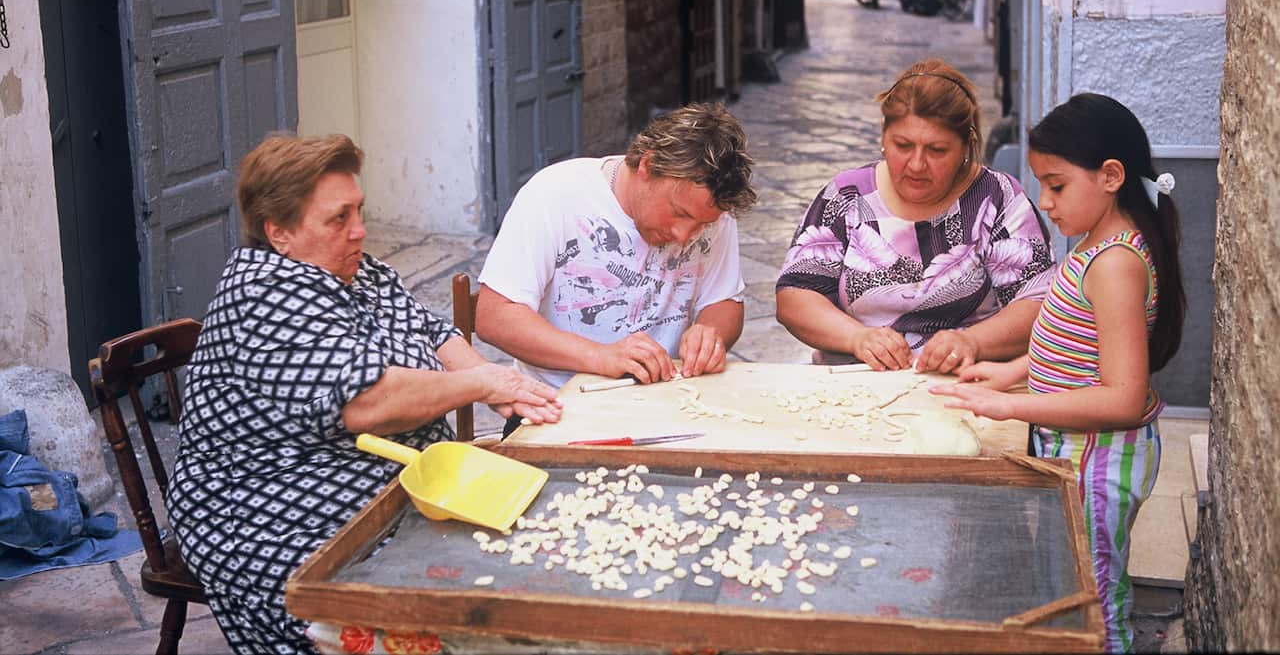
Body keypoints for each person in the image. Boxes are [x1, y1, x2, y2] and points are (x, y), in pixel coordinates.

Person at [167, 133, 562, 654]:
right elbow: (368, 402)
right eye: (339, 219)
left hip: (381, 487)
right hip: (274, 513)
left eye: (360, 210)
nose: (361, 230)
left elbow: (433, 334)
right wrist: (482, 382)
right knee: (433, 626)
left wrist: (502, 390)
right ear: (279, 232)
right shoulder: (262, 296)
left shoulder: (359, 271)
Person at [930, 93, 1186, 653]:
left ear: (1111, 175)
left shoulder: (1116, 263)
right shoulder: (1093, 246)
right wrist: (1008, 373)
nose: (1045, 201)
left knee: (1092, 598)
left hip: (1097, 460)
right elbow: (1074, 344)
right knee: (1070, 577)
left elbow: (1122, 397)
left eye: (1057, 185)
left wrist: (1012, 405)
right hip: (1073, 454)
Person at [775, 58, 1055, 372]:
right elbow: (796, 296)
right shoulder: (846, 197)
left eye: (937, 150)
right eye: (903, 145)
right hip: (855, 380)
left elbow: (1037, 304)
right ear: (884, 134)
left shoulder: (998, 198)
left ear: (966, 146)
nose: (917, 164)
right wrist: (858, 338)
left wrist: (972, 342)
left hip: (968, 382)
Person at [476, 102, 757, 404]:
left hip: (670, 399)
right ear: (647, 166)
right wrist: (599, 356)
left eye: (702, 224)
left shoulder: (711, 210)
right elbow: (495, 317)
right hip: (556, 406)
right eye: (678, 213)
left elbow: (724, 301)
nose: (684, 235)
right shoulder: (554, 194)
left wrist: (710, 332)